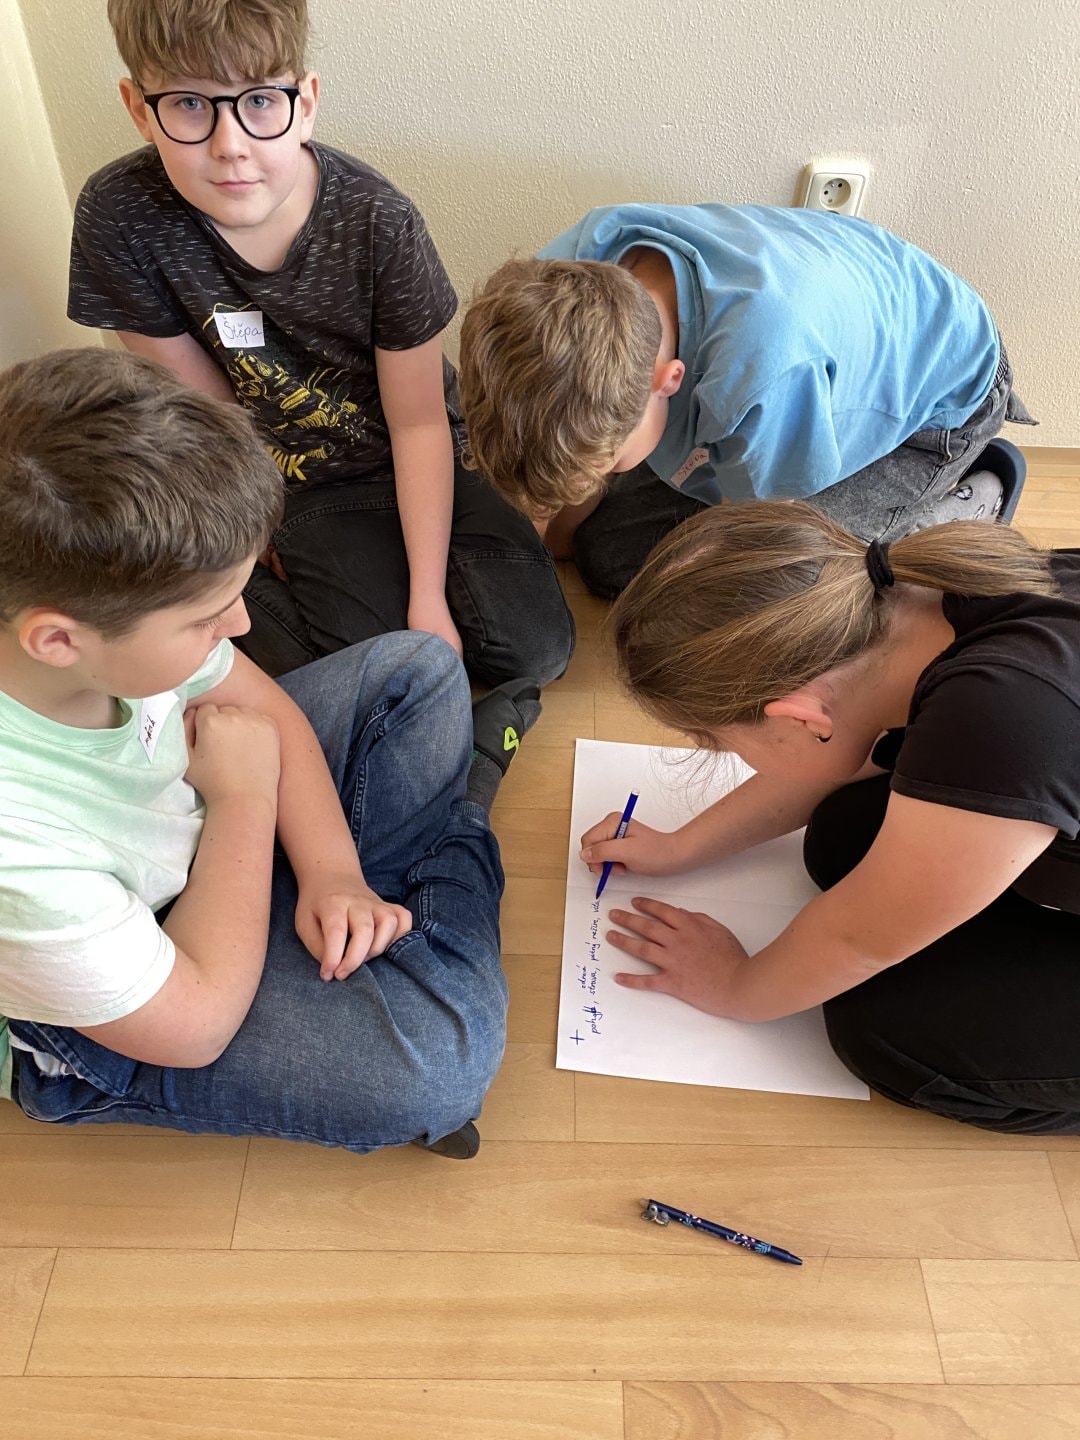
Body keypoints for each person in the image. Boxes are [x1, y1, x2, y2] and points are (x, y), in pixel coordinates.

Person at [0, 348, 537, 1159]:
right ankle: (464, 818)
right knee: (438, 1070)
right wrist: (246, 800)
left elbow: (265, 709)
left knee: (419, 672)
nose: (243, 626)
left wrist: (333, 874)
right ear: (57, 640)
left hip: (204, 817)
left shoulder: (100, 614)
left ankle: (384, 912)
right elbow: (197, 1024)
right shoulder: (18, 848)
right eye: (207, 617)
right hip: (137, 993)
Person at [66, 0, 574, 685]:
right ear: (139, 108)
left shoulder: (379, 221)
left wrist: (427, 597)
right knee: (374, 670)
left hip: (424, 454)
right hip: (294, 482)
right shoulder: (118, 216)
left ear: (304, 103)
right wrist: (254, 525)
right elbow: (210, 415)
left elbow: (420, 423)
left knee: (536, 651)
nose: (229, 145)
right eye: (189, 104)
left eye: (258, 101)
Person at [578, 501, 1080, 1135]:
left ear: (800, 716)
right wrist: (683, 846)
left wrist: (734, 984)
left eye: (715, 740)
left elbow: (859, 941)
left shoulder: (1000, 721)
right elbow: (845, 756)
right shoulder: (921, 601)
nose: (718, 751)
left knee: (887, 1033)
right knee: (843, 833)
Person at [459, 203, 1036, 598]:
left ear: (669, 379)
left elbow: (748, 540)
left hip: (937, 410)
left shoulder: (762, 384)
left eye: (607, 460)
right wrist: (550, 537)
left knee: (778, 596)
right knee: (605, 555)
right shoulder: (559, 278)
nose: (602, 474)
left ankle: (945, 508)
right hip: (841, 326)